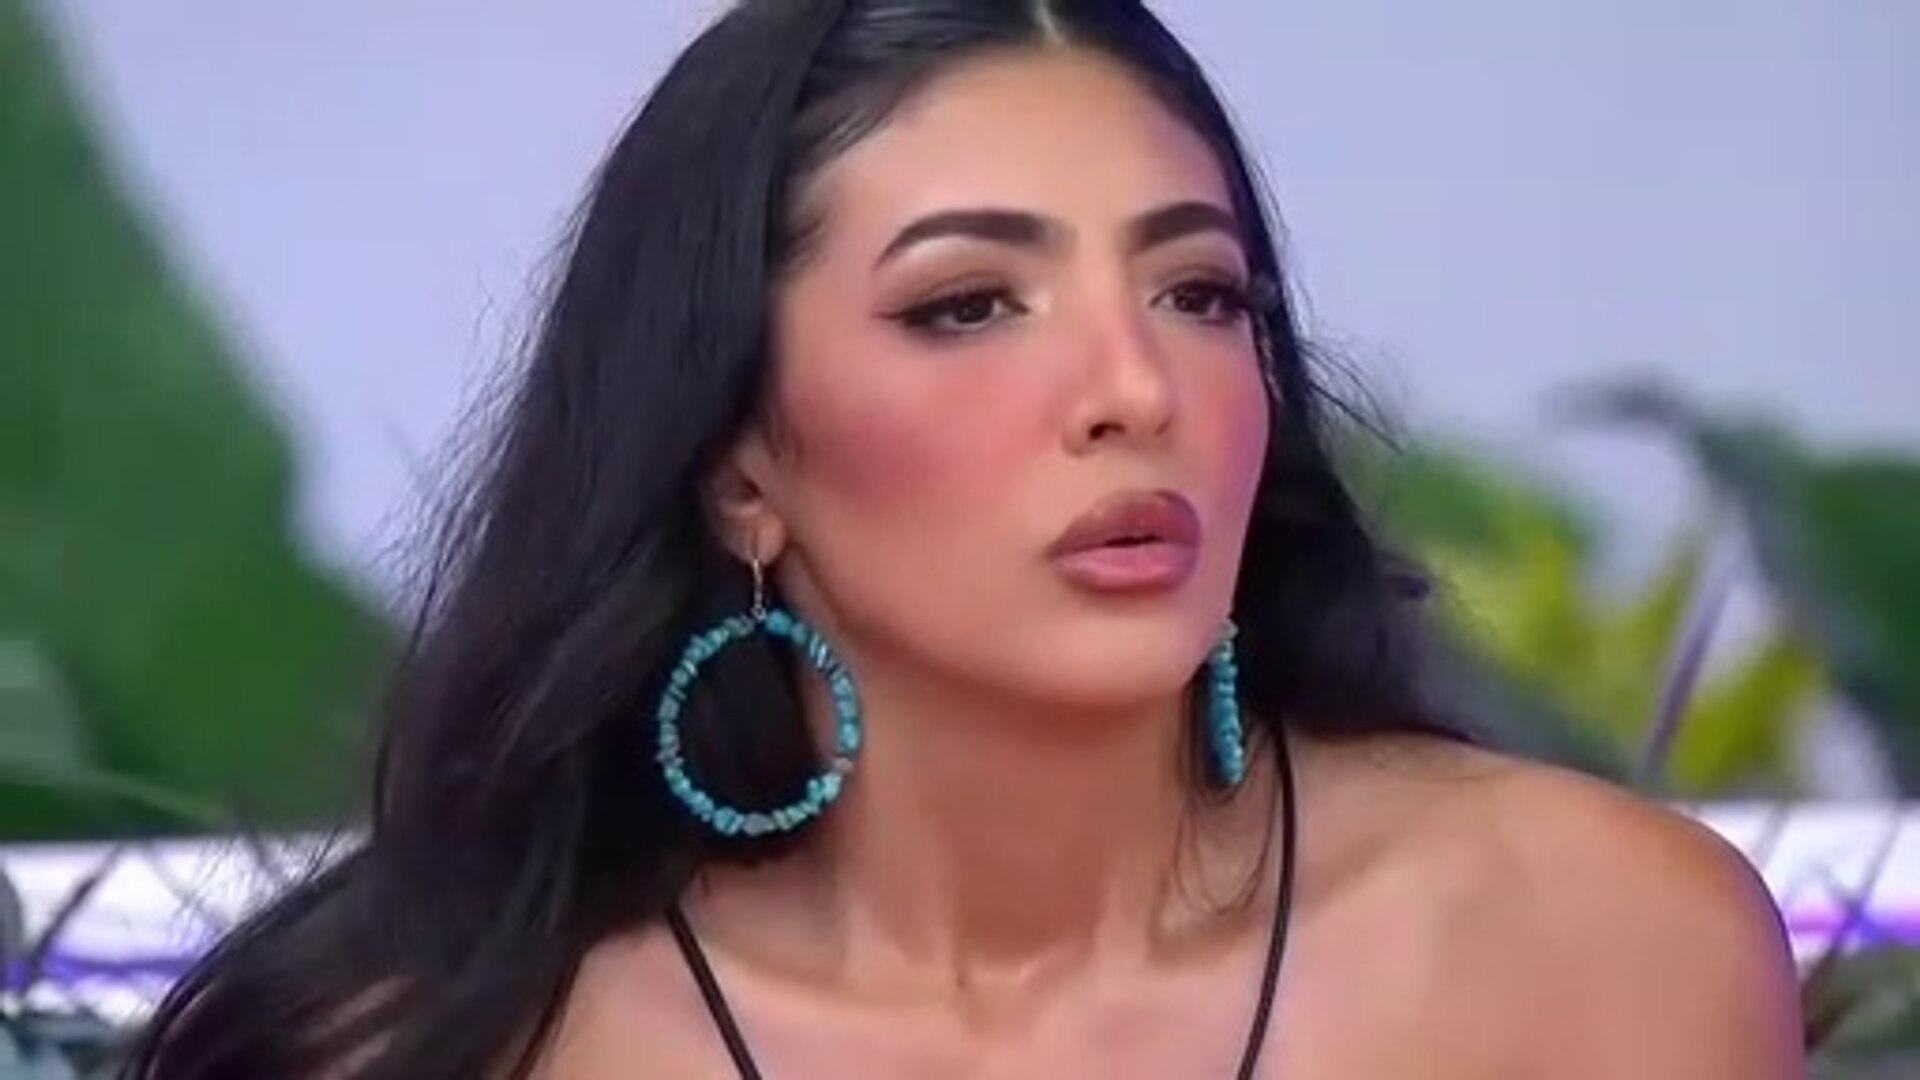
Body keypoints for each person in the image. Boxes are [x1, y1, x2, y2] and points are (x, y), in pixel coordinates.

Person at [127, 1, 1806, 1076]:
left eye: (1199, 293)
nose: (1134, 387)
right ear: (740, 464)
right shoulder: (432, 1041)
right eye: (968, 305)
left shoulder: (1604, 948)